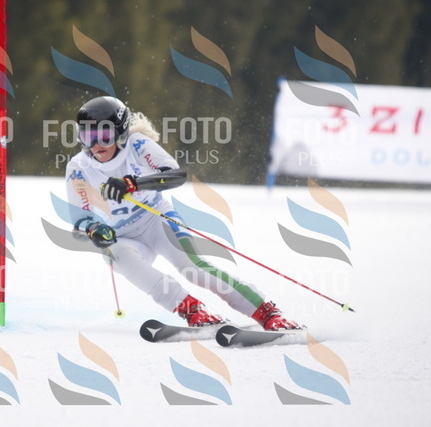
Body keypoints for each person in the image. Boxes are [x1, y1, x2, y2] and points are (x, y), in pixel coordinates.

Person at [64, 96, 300, 330]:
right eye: (88, 136)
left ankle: (267, 313)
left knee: (194, 269)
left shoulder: (136, 145)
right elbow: (80, 220)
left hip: (156, 220)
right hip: (122, 236)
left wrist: (133, 183)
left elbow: (175, 175)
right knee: (114, 255)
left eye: (105, 135)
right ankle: (193, 311)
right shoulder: (78, 167)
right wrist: (94, 229)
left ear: (121, 132)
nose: (97, 145)